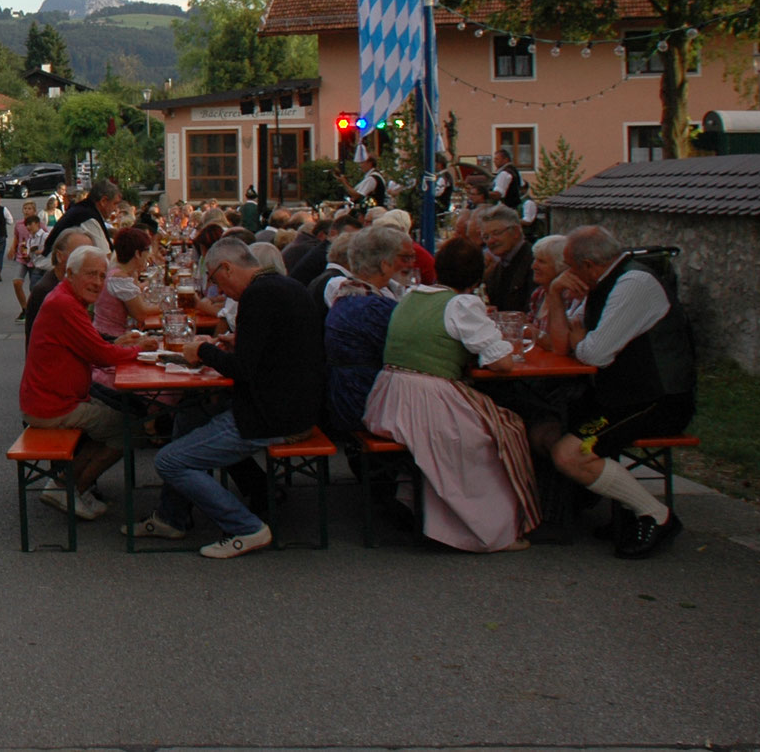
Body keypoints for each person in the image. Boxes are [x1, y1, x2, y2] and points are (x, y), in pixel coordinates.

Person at [136, 239, 325, 559]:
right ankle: (172, 516)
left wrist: (203, 350)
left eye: (213, 278)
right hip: (298, 406)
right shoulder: (287, 287)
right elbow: (275, 352)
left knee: (169, 460)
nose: (215, 287)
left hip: (271, 416)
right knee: (189, 414)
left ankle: (245, 527)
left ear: (227, 268)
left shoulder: (258, 295)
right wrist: (237, 342)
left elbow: (244, 371)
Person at [363, 236, 539, 553]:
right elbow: (501, 362)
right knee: (497, 433)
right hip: (428, 399)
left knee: (483, 428)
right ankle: (486, 527)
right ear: (476, 277)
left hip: (390, 396)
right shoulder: (461, 305)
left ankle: (411, 497)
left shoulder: (412, 295)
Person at [543, 226, 697, 558]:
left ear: (586, 264)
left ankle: (656, 515)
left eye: (567, 266)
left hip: (657, 399)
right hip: (621, 395)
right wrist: (555, 295)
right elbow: (560, 344)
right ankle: (595, 505)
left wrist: (580, 339)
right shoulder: (601, 283)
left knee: (569, 453)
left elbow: (592, 354)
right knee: (546, 423)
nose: (565, 273)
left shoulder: (633, 284)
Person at [21, 247, 143, 519]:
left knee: (121, 413)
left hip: (53, 398)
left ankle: (71, 486)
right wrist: (141, 351)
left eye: (102, 275)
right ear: (70, 274)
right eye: (91, 274)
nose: (98, 282)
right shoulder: (65, 304)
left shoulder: (66, 299)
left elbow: (93, 346)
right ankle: (67, 488)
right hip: (52, 406)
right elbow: (101, 356)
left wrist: (115, 344)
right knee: (128, 428)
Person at [321, 226, 413, 435]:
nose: (410, 264)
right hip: (366, 404)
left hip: (345, 397)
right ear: (385, 264)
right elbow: (411, 353)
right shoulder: (373, 308)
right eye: (404, 258)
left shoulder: (347, 296)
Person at [41, 179, 120, 257]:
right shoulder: (88, 217)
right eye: (115, 203)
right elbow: (105, 256)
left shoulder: (81, 209)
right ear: (104, 201)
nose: (116, 209)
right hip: (54, 265)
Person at [478, 205, 534, 313]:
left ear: (516, 232)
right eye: (486, 237)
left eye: (496, 233)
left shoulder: (534, 263)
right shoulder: (498, 267)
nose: (491, 241)